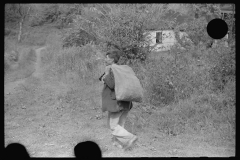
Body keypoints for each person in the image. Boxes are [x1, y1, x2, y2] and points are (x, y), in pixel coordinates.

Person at [99, 50, 138, 150]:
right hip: (126, 102)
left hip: (117, 103)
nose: (105, 59)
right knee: (120, 125)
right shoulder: (121, 69)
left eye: (107, 57)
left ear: (112, 59)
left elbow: (112, 85)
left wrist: (107, 74)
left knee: (113, 125)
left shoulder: (113, 70)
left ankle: (130, 138)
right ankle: (118, 143)